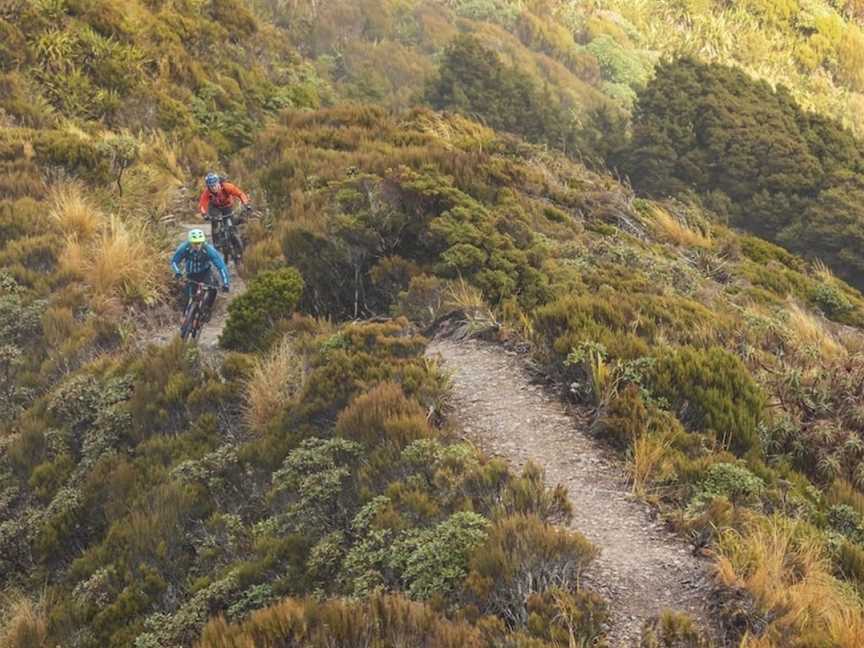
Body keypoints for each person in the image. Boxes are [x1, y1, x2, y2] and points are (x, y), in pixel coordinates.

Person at [170, 229, 230, 321]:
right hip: (190, 274)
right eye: (194, 243)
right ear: (190, 242)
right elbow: (174, 262)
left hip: (205, 273)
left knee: (213, 289)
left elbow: (221, 266)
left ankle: (207, 309)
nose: (197, 245)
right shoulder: (184, 248)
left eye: (199, 243)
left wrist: (226, 283)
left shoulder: (209, 250)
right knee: (187, 295)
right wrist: (178, 272)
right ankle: (186, 317)